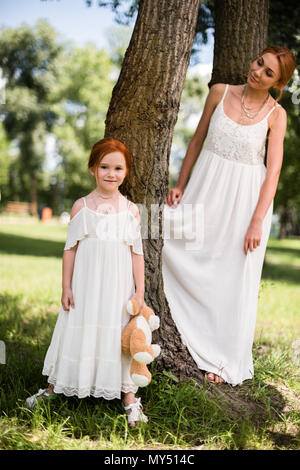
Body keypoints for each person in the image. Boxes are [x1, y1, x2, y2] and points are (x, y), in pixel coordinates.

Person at [163, 46, 296, 386]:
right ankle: (176, 331)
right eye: (259, 63)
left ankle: (219, 359)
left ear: (278, 83)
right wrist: (180, 184)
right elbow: (196, 140)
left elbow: (274, 171)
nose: (258, 73)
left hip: (245, 204)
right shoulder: (219, 91)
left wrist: (257, 220)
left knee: (230, 277)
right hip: (205, 189)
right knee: (169, 241)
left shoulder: (276, 115)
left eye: (269, 73)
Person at [25, 137, 147, 426]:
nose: (111, 173)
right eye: (104, 166)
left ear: (126, 172)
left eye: (118, 168)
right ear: (93, 168)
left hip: (118, 288)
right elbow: (70, 249)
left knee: (118, 335)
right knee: (76, 328)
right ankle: (56, 386)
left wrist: (139, 291)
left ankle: (128, 396)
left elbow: (137, 254)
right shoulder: (82, 207)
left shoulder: (131, 211)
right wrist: (66, 287)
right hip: (85, 286)